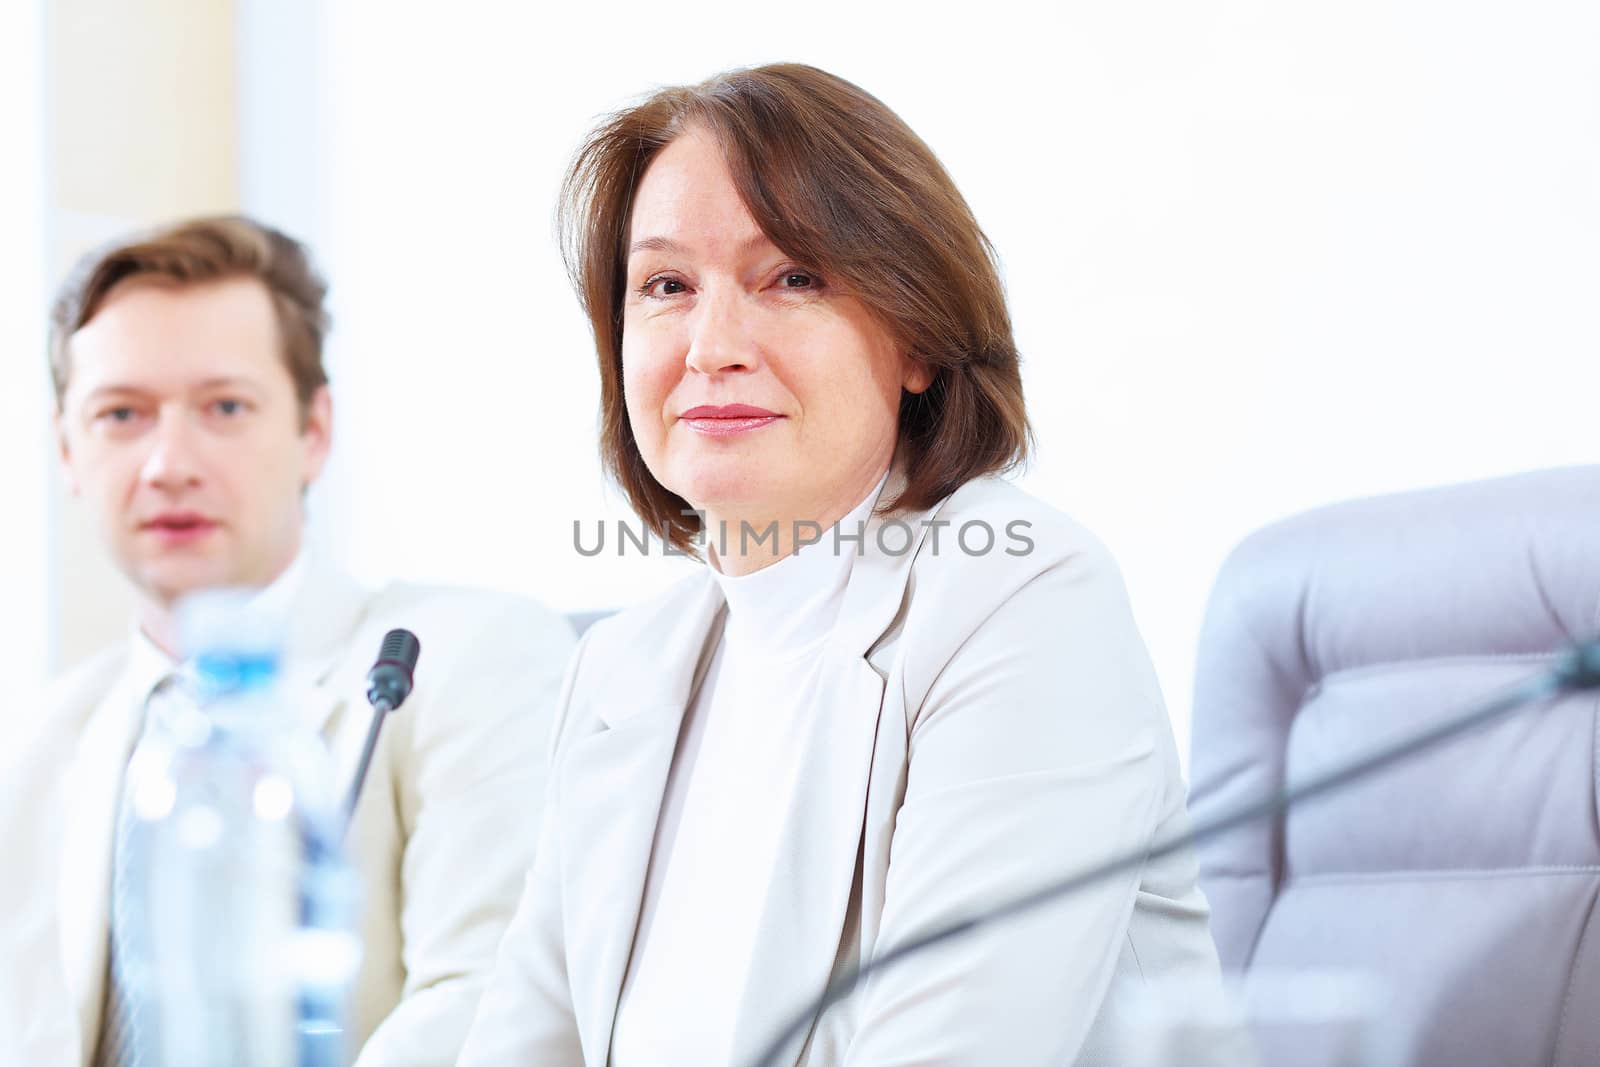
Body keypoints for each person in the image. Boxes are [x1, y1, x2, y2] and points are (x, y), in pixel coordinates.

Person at [458, 64, 1229, 1066]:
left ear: (916, 336)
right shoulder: (619, 669)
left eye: (792, 277)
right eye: (665, 286)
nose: (712, 344)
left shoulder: (1019, 599)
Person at [0, 216, 576, 1066]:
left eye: (224, 407)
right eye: (121, 414)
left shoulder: (467, 660)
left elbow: (488, 1002)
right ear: (66, 450)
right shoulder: (38, 743)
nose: (168, 463)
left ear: (314, 430)